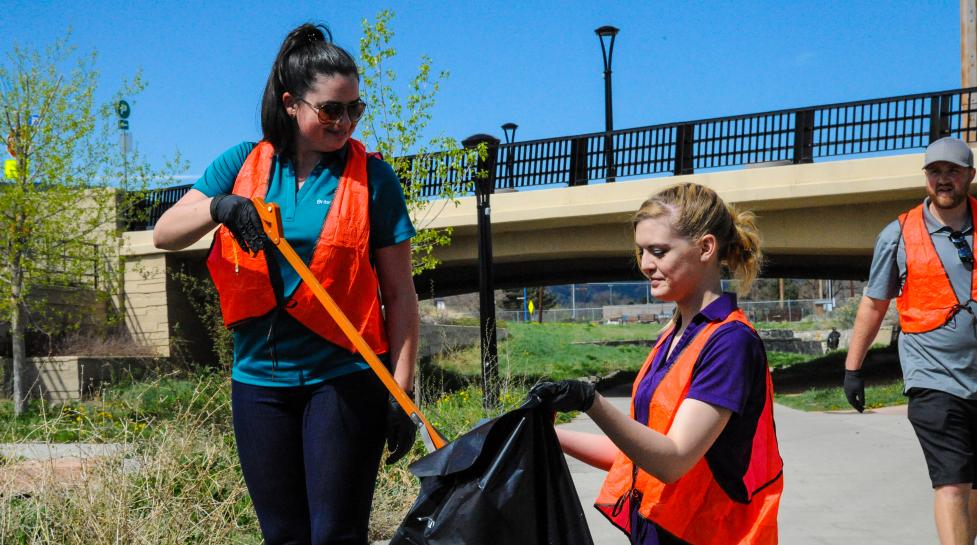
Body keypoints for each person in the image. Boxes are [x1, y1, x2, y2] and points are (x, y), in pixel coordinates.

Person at [152, 23, 419, 545]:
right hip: (258, 383)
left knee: (336, 536)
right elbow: (165, 233)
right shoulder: (241, 163)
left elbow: (401, 295)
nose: (345, 122)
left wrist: (403, 391)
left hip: (343, 379)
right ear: (292, 104)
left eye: (355, 109)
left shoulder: (374, 179)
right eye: (331, 110)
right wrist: (219, 206)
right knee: (283, 536)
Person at [531, 182, 784, 545]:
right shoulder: (675, 334)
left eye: (659, 251)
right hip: (662, 532)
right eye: (642, 251)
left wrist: (592, 402)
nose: (647, 264)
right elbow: (636, 454)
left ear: (706, 248)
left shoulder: (730, 343)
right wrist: (544, 433)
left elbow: (672, 460)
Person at [843, 136, 977, 545]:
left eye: (952, 171)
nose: (943, 179)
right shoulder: (898, 234)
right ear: (926, 178)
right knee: (951, 483)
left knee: (971, 487)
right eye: (935, 171)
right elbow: (874, 303)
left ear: (969, 176)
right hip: (933, 379)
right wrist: (853, 367)